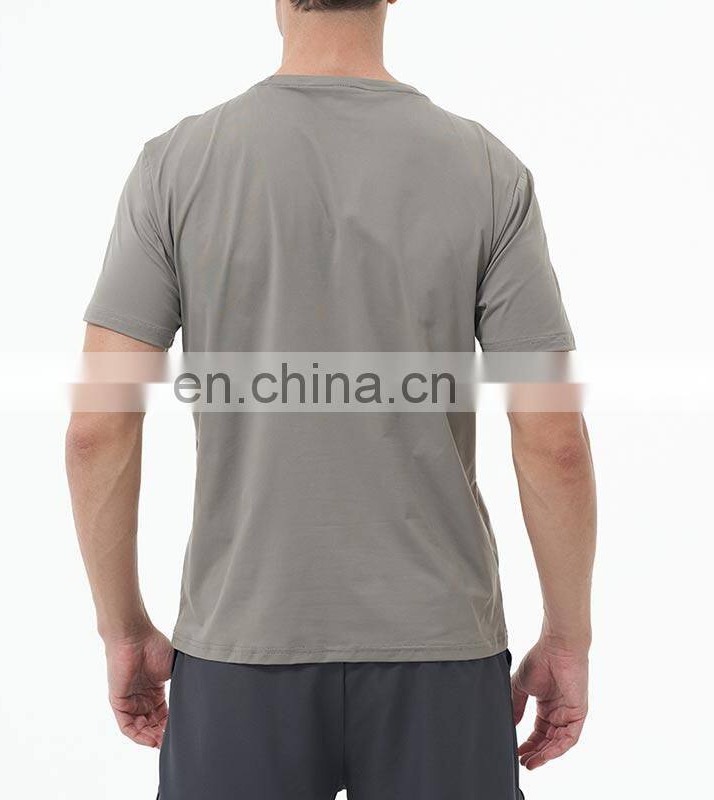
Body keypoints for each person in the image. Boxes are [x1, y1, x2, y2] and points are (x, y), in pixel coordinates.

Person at [66, 1, 597, 798]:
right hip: (441, 655)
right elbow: (554, 441)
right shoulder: (487, 172)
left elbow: (98, 430)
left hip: (239, 650)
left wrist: (122, 628)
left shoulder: (176, 166)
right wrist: (567, 637)